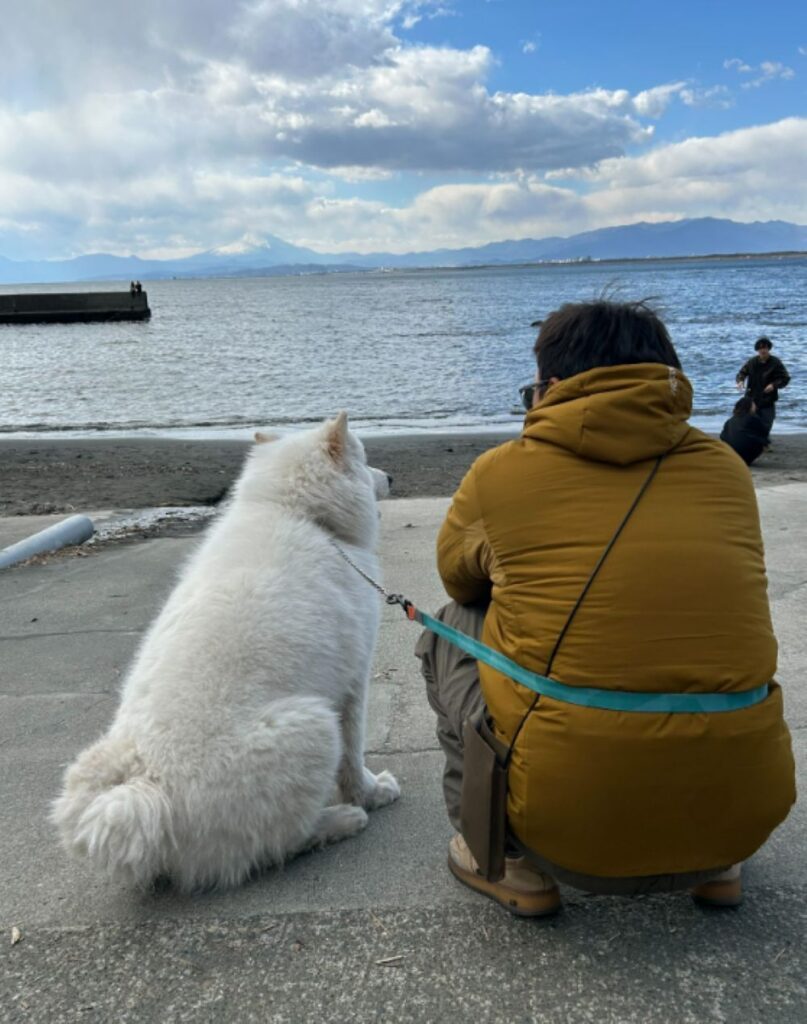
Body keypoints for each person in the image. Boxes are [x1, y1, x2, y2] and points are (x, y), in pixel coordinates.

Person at [416, 299, 795, 916]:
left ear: (551, 386)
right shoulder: (726, 468)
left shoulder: (499, 473)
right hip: (742, 818)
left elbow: (460, 584)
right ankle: (717, 866)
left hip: (568, 833)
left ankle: (505, 860)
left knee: (447, 628)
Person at [735, 337, 790, 438]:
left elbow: (785, 378)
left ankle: (763, 440)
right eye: (760, 348)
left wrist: (773, 385)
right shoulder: (752, 362)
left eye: (765, 348)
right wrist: (740, 381)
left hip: (768, 398)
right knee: (749, 422)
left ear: (768, 348)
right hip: (752, 397)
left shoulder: (775, 362)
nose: (762, 350)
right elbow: (741, 373)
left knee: (767, 422)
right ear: (757, 350)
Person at [720, 396, 769, 466]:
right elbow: (764, 431)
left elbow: (722, 436)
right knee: (762, 439)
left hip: (731, 454)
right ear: (749, 407)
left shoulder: (730, 420)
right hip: (746, 454)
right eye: (753, 405)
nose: (755, 407)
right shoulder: (753, 418)